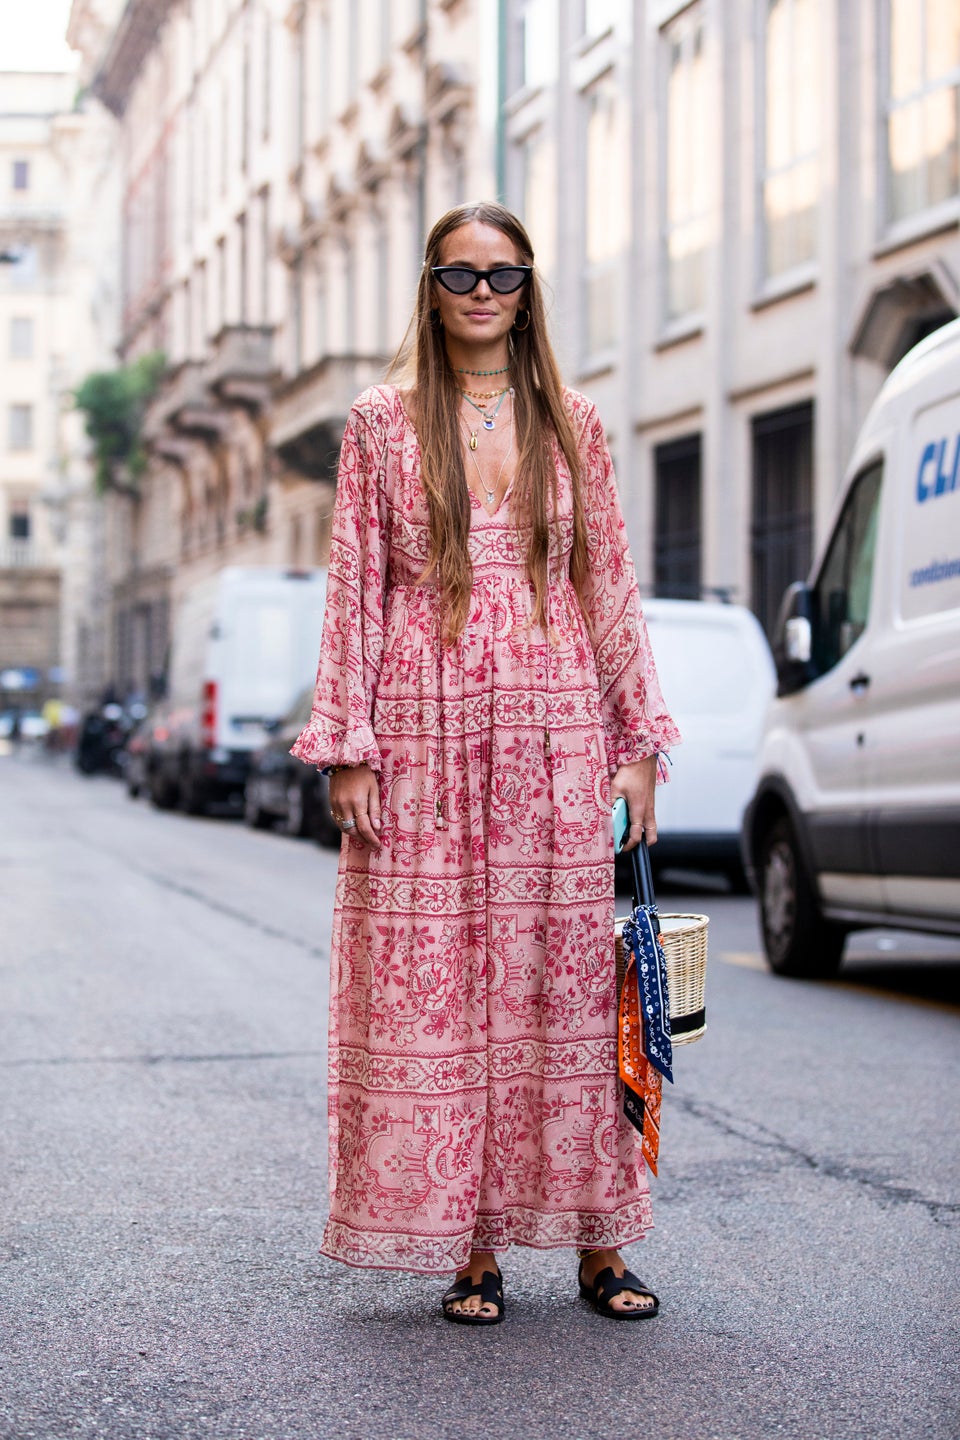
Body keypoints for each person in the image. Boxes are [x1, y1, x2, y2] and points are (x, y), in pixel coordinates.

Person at [293, 201, 680, 1326]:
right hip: (422, 724)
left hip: (556, 737)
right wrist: (348, 750)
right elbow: (355, 588)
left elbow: (610, 588)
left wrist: (638, 745)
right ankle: (471, 1249)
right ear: (429, 285)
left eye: (502, 275)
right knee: (445, 988)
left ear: (527, 291)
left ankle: (602, 1244)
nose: (480, 292)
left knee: (564, 984)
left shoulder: (577, 423)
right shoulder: (378, 423)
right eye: (460, 273)